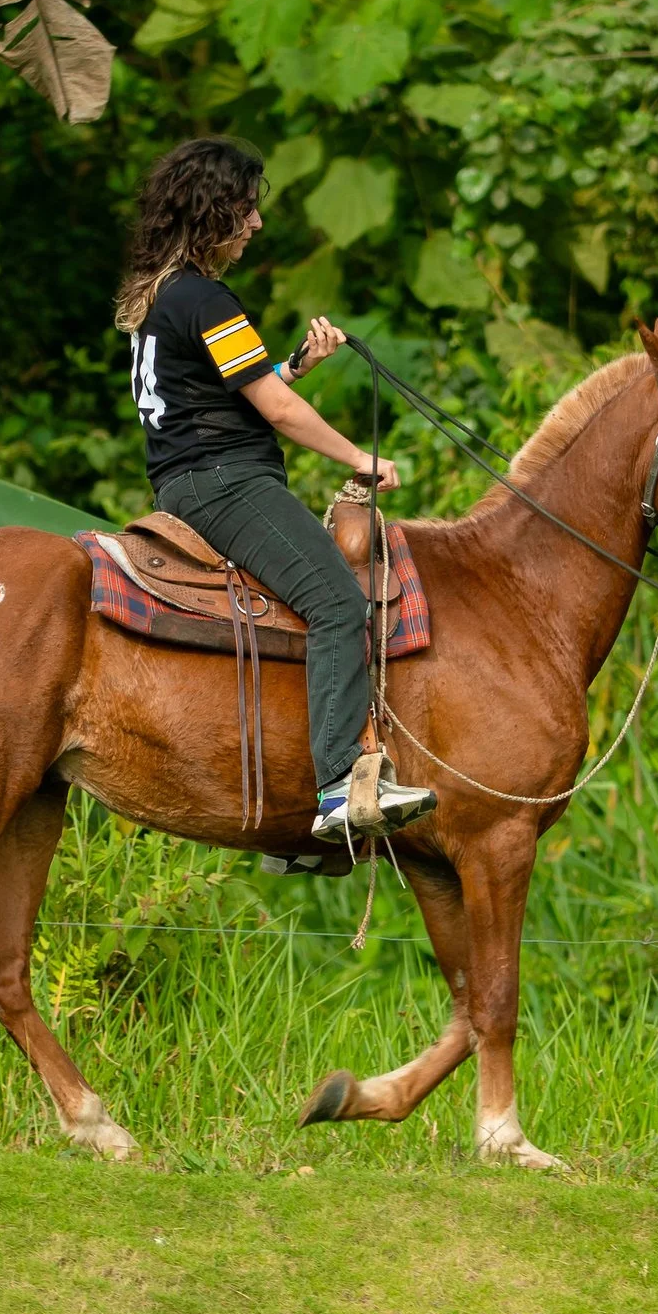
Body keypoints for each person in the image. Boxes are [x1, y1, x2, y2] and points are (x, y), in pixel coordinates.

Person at [114, 136, 434, 839]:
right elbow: (277, 413)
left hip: (187, 480)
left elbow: (238, 392)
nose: (256, 224)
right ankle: (338, 787)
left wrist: (291, 365)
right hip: (224, 483)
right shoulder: (207, 297)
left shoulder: (167, 295)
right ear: (212, 211)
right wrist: (363, 457)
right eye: (247, 209)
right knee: (337, 603)